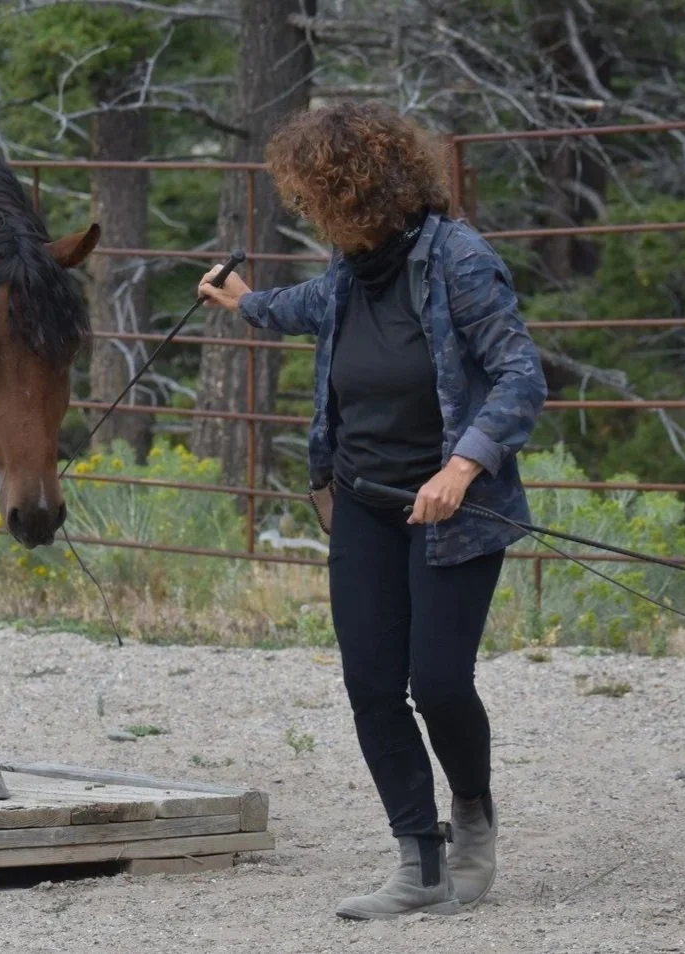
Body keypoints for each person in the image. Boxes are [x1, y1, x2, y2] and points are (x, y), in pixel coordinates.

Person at [198, 102, 547, 921]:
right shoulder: (352, 266)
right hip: (361, 501)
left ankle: (471, 816)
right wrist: (245, 302)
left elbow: (519, 374)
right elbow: (312, 305)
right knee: (371, 685)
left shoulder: (457, 260)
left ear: (364, 192)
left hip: (453, 510)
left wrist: (461, 466)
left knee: (439, 683)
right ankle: (418, 862)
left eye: (321, 199)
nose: (315, 213)